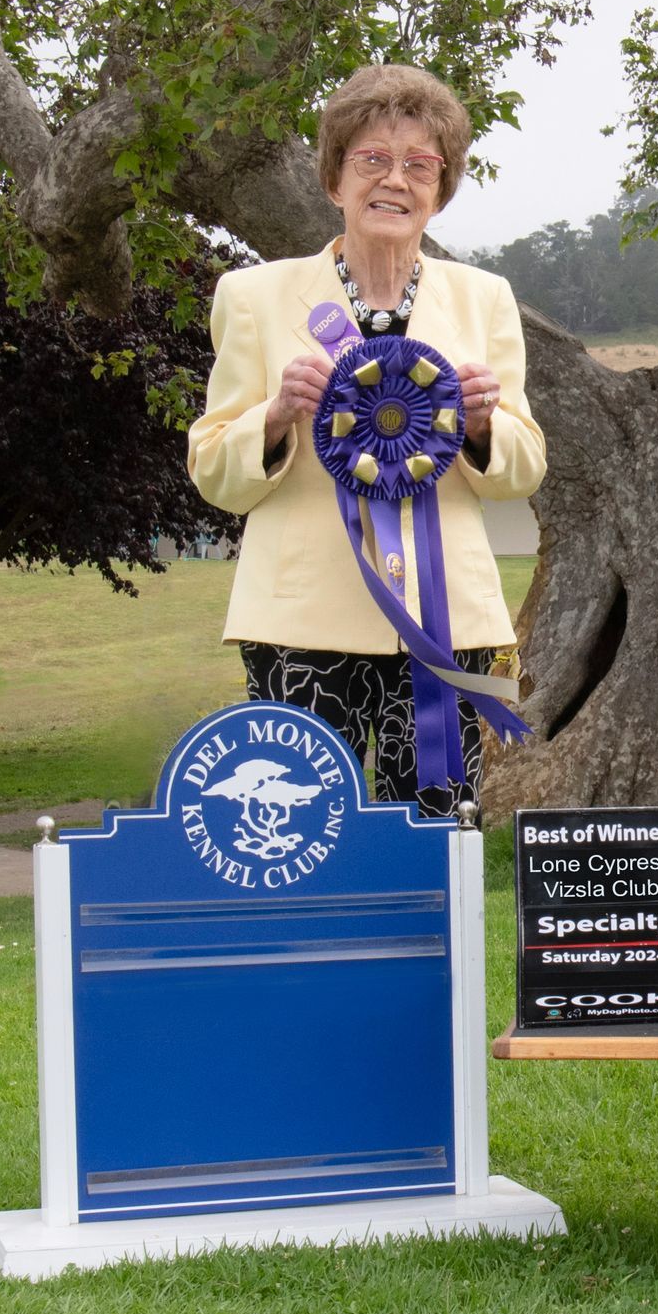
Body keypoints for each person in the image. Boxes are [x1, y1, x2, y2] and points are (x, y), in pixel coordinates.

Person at [188, 64, 546, 817]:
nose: (396, 180)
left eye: (421, 164)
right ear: (334, 180)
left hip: (446, 625)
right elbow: (215, 473)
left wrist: (483, 426)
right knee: (306, 841)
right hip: (301, 626)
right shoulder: (251, 297)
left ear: (440, 189)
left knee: (439, 838)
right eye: (373, 159)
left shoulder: (486, 299)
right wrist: (278, 414)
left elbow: (524, 466)